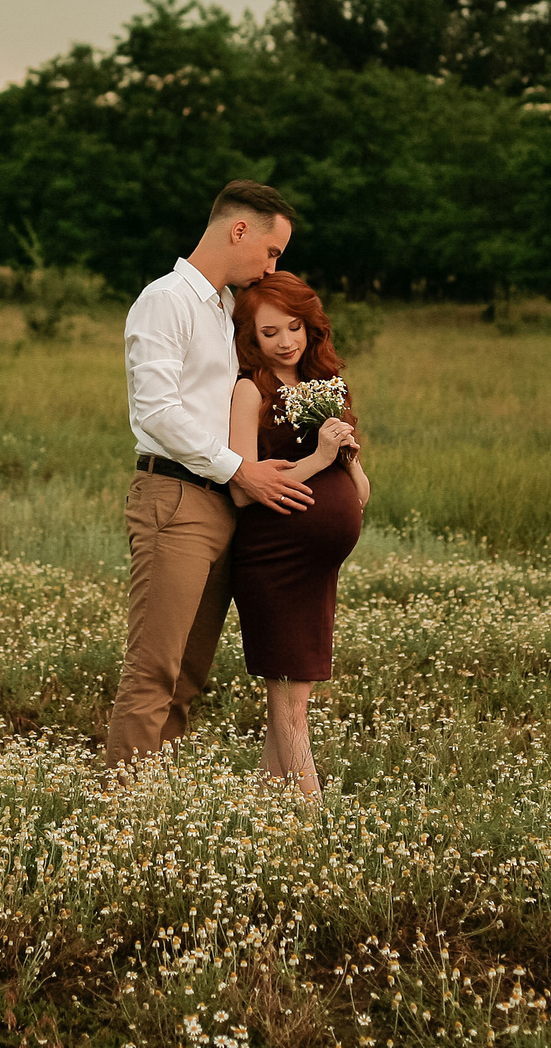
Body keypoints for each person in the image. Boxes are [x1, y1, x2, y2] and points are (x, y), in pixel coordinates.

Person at [106, 179, 312, 766]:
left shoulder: (226, 310)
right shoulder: (166, 300)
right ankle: (119, 806)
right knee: (154, 670)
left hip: (221, 501)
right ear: (239, 230)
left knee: (187, 676)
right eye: (271, 252)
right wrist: (241, 470)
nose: (272, 268)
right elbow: (156, 411)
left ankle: (158, 801)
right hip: (174, 495)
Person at [226, 271, 369, 800]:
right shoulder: (250, 391)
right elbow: (242, 489)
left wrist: (348, 462)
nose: (286, 341)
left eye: (294, 328)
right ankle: (313, 820)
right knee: (289, 702)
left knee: (292, 698)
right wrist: (320, 458)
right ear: (251, 337)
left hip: (316, 568)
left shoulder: (326, 388)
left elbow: (360, 492)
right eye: (270, 332)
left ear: (311, 328)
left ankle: (266, 808)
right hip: (274, 560)